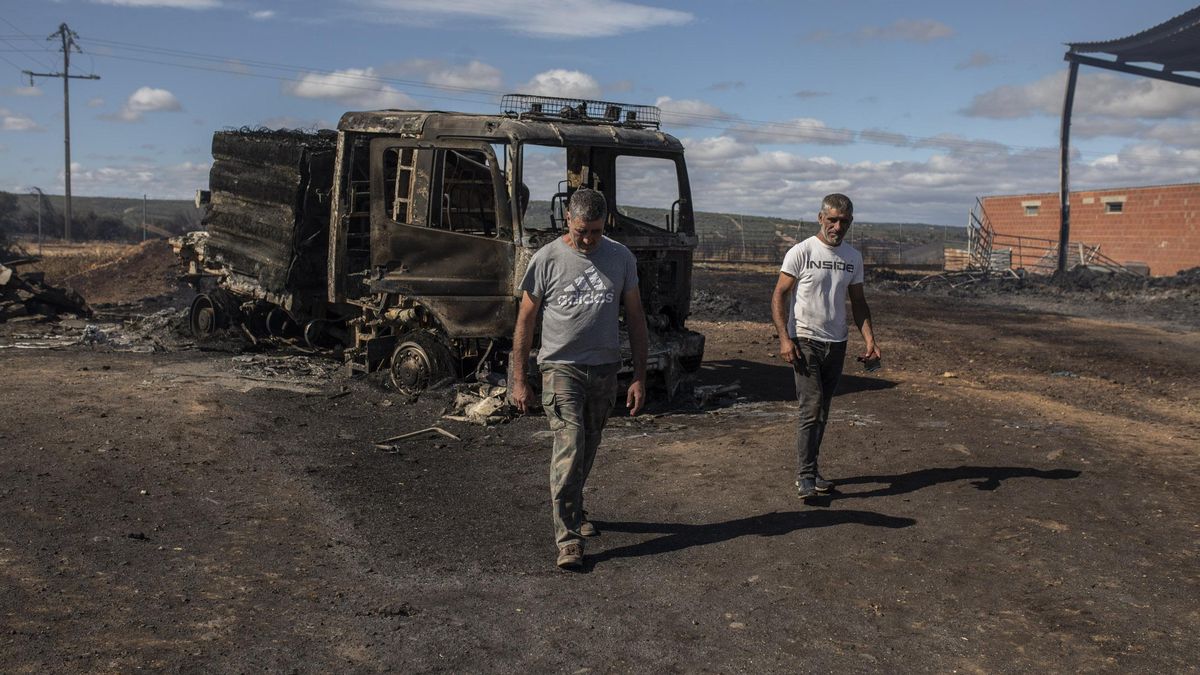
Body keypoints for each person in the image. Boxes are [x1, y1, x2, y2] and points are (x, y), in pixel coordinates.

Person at [510, 188, 648, 570]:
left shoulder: (621, 258)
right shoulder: (547, 259)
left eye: (596, 232)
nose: (588, 240)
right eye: (582, 230)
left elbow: (636, 318)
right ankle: (568, 538)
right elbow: (525, 320)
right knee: (570, 445)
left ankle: (575, 508)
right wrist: (519, 378)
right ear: (568, 218)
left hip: (604, 369)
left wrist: (639, 375)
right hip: (561, 368)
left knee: (587, 448)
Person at [771, 193, 880, 500]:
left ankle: (813, 469)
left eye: (843, 221)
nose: (837, 226)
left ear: (851, 222)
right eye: (831, 220)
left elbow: (858, 302)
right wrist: (784, 338)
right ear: (820, 218)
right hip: (805, 339)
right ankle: (804, 476)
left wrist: (870, 339)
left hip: (837, 342)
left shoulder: (853, 258)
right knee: (812, 406)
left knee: (823, 410)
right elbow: (779, 294)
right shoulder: (802, 251)